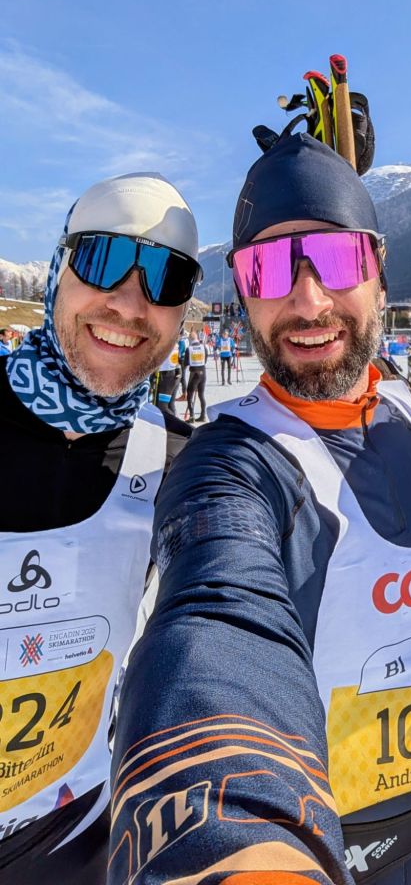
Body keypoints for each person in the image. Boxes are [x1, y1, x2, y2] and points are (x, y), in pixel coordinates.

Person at [109, 132, 411, 885]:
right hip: (328, 855)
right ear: (242, 295)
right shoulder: (230, 465)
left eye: (335, 258)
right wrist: (229, 845)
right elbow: (212, 633)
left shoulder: (401, 411)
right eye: (268, 269)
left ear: (379, 275)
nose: (308, 300)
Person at [0, 173, 200, 885]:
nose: (130, 303)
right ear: (59, 269)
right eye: (104, 259)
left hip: (73, 832)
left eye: (167, 278)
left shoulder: (175, 458)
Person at [183, 328, 208, 422]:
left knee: (189, 395)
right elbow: (205, 360)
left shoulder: (189, 349)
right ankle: (203, 415)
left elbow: (185, 363)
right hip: (203, 373)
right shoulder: (203, 347)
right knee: (201, 395)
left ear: (190, 339)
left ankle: (192, 416)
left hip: (194, 374)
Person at [154, 339, 181, 414]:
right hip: (172, 374)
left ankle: (175, 421)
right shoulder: (175, 343)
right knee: (170, 405)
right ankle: (173, 420)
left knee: (162, 407)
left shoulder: (167, 343)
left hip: (167, 377)